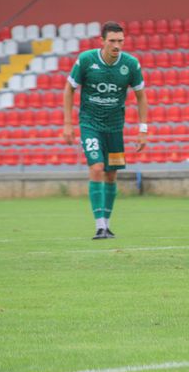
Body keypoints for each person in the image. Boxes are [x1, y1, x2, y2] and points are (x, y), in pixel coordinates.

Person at [63, 21, 148, 239]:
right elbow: (69, 89)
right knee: (97, 168)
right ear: (102, 41)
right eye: (112, 41)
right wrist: (68, 124)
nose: (117, 45)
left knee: (111, 174)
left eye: (120, 41)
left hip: (115, 128)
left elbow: (141, 96)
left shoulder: (130, 64)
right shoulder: (86, 60)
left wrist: (143, 129)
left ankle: (107, 225)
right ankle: (99, 225)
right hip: (90, 124)